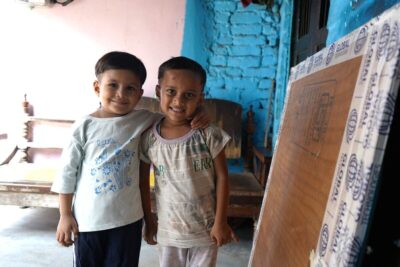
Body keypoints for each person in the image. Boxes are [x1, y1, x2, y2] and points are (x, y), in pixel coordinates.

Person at [51, 51, 208, 267]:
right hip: (88, 222)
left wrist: (201, 111)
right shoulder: (84, 127)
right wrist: (64, 214)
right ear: (97, 88)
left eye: (130, 88)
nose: (121, 94)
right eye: (112, 85)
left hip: (128, 221)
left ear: (140, 93)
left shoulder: (143, 119)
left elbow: (177, 114)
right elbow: (67, 174)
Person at [140, 56, 238, 267]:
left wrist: (221, 222)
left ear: (200, 99)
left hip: (205, 230)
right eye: (171, 92)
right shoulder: (148, 137)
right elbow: (142, 183)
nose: (178, 101)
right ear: (158, 92)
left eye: (189, 95)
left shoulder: (208, 134)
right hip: (168, 231)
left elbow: (222, 177)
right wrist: (149, 220)